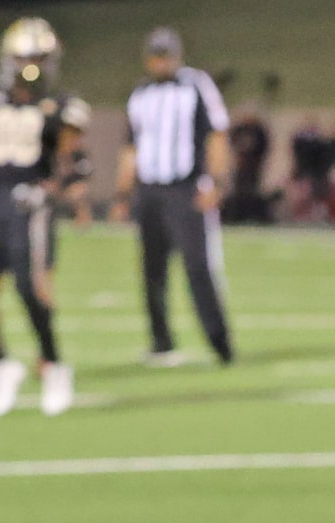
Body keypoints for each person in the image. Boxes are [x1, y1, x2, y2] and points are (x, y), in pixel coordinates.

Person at [0, 17, 90, 417]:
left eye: (38, 58)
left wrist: (51, 191)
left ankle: (53, 363)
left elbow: (74, 162)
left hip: (30, 207)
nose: (30, 66)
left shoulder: (60, 108)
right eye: (24, 57)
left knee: (31, 288)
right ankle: (3, 363)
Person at [117, 28, 235, 367]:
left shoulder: (196, 85)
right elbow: (131, 146)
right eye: (156, 55)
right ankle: (161, 341)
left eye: (166, 54)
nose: (161, 61)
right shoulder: (140, 94)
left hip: (186, 188)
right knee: (152, 269)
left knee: (198, 266)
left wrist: (216, 181)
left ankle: (220, 343)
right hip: (151, 190)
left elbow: (216, 134)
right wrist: (123, 192)